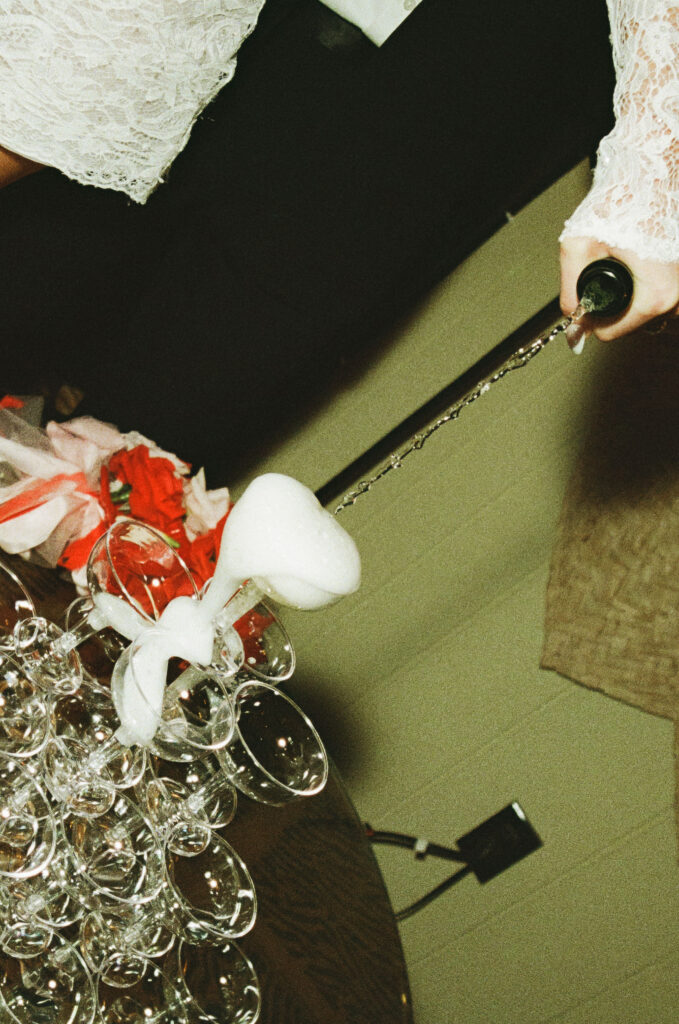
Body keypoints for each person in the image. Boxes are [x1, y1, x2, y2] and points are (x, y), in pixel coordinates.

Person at [0, 0, 661, 481]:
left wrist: (650, 178)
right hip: (189, 58)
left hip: (387, 170)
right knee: (26, 284)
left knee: (120, 457)